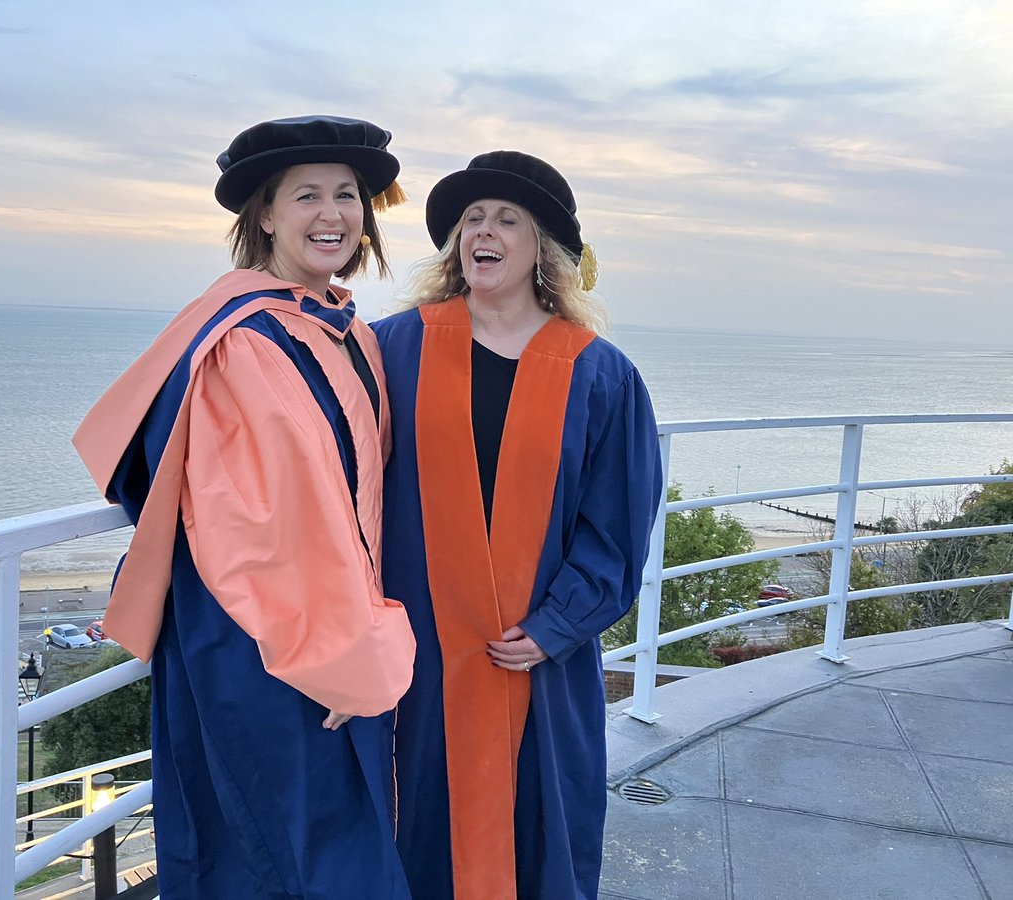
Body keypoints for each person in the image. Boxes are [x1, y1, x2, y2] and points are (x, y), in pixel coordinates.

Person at [73, 116, 416, 899]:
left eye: (347, 195)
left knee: (315, 846)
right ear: (264, 215)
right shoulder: (246, 342)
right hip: (264, 645)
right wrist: (334, 658)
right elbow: (260, 534)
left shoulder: (338, 329)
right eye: (307, 197)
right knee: (283, 856)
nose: (333, 214)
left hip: (318, 625)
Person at [372, 151, 663, 899]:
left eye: (506, 218)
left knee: (540, 836)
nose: (484, 231)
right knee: (413, 834)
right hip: (420, 659)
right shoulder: (391, 348)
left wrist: (557, 625)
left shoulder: (600, 373)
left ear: (544, 249)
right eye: (472, 218)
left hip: (539, 664)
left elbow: (617, 524)